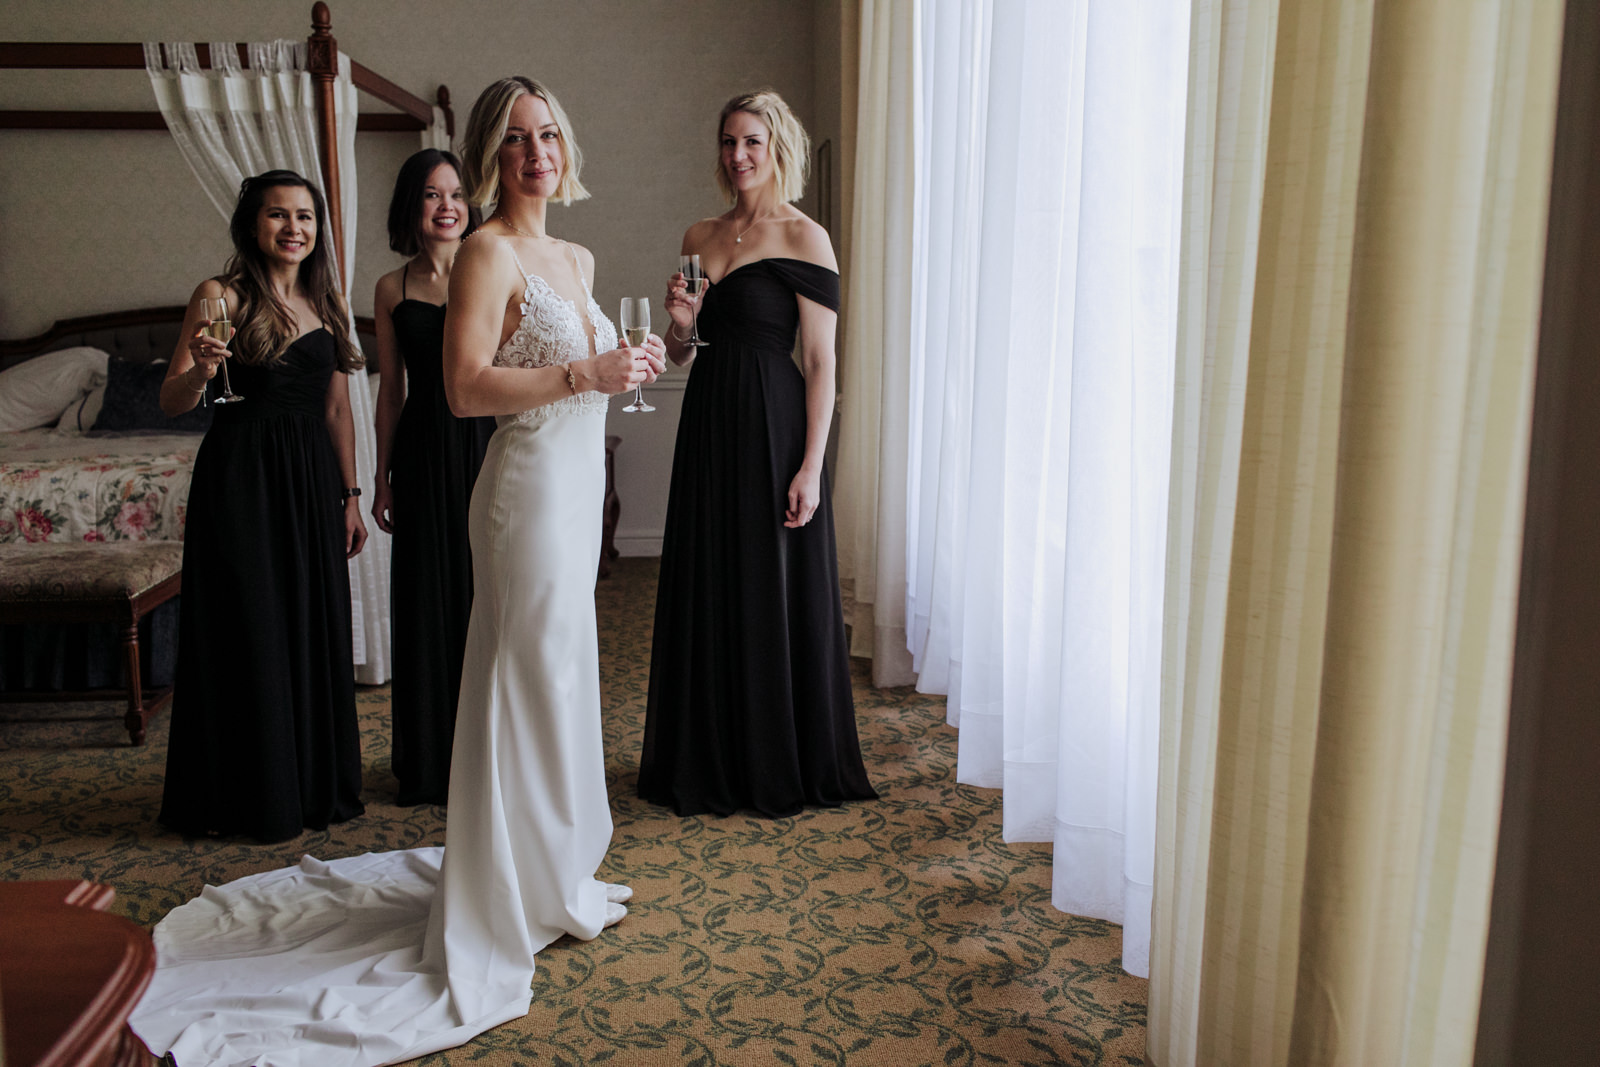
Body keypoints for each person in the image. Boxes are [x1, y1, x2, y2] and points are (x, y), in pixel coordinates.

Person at [129, 79, 663, 1067]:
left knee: (561, 675)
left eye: (549, 133)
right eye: (515, 138)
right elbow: (460, 389)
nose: (536, 151)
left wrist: (630, 359)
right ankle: (502, 884)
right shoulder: (488, 251)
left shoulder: (575, 255)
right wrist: (585, 375)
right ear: (491, 153)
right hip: (523, 486)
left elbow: (592, 371)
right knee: (518, 672)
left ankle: (550, 870)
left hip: (574, 486)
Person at [637, 89, 877, 817]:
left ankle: (776, 754)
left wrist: (810, 464)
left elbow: (821, 360)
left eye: (752, 143)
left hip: (774, 425)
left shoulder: (808, 236)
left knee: (767, 580)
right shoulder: (701, 233)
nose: (737, 156)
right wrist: (680, 324)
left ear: (777, 149)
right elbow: (681, 353)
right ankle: (708, 750)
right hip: (709, 421)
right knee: (712, 575)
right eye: (727, 142)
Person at [156, 169, 368, 844]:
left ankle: (309, 782)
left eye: (305, 216)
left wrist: (350, 495)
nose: (294, 228)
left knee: (310, 621)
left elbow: (337, 407)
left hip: (310, 482)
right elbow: (175, 401)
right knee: (250, 625)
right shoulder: (220, 295)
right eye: (278, 215)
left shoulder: (326, 298)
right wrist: (195, 364)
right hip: (242, 476)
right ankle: (250, 794)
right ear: (253, 224)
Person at [372, 148, 494, 806]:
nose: (447, 204)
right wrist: (382, 473)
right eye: (430, 194)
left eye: (455, 193)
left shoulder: (493, 268)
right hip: (421, 448)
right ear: (412, 208)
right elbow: (390, 390)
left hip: (483, 441)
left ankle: (490, 757)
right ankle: (428, 762)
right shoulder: (392, 288)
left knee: (485, 593)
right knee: (426, 598)